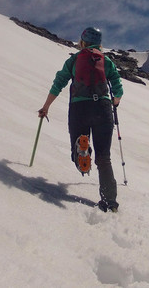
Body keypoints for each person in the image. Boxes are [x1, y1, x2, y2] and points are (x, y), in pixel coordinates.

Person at [38, 27, 123, 212]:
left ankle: (81, 150)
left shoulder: (75, 60)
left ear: (82, 42)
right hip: (103, 108)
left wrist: (46, 107)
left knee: (78, 148)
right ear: (99, 44)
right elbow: (117, 86)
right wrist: (115, 101)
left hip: (80, 108)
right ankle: (110, 202)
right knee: (104, 157)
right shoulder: (106, 61)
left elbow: (59, 82)